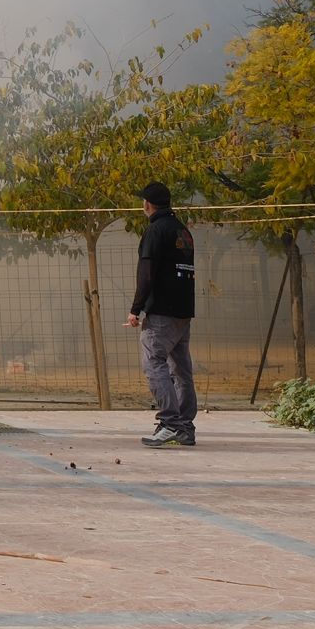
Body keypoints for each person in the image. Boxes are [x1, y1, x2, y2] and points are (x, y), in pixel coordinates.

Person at [124, 180, 196, 447]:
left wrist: (135, 309)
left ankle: (170, 423)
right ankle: (185, 426)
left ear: (147, 204)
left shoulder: (155, 231)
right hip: (183, 311)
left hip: (162, 312)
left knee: (154, 363)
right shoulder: (182, 230)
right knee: (181, 369)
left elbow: (147, 273)